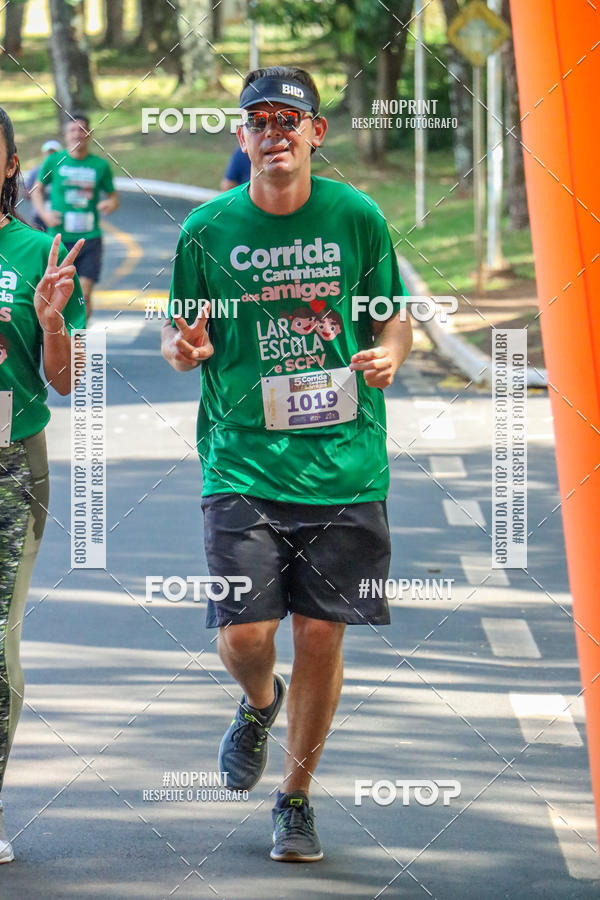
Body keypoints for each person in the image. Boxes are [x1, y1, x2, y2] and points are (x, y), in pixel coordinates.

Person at [161, 65, 412, 863]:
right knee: (244, 637)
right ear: (242, 137)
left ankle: (295, 799)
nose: (275, 134)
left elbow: (394, 317)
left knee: (322, 635)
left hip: (345, 464)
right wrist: (187, 346)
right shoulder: (206, 229)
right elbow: (179, 341)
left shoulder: (356, 217)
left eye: (289, 121)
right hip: (241, 458)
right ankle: (256, 703)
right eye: (259, 122)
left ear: (315, 134)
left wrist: (389, 355)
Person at [0, 107, 86, 864]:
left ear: (8, 165)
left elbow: (65, 380)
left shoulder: (36, 252)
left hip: (7, 464)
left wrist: (52, 322)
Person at [31, 112, 119, 320]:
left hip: (90, 239)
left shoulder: (100, 165)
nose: (77, 134)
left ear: (89, 134)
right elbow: (37, 190)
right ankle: (62, 343)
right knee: (59, 296)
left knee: (84, 295)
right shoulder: (54, 161)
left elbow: (114, 197)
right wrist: (44, 214)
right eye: (72, 130)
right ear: (65, 135)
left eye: (82, 130)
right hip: (59, 240)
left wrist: (110, 203)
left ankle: (80, 345)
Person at [23, 139, 63, 231]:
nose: (50, 156)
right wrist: (39, 194)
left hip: (58, 215)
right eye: (48, 153)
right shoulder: (36, 171)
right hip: (39, 215)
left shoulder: (64, 171)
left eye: (54, 153)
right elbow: (26, 192)